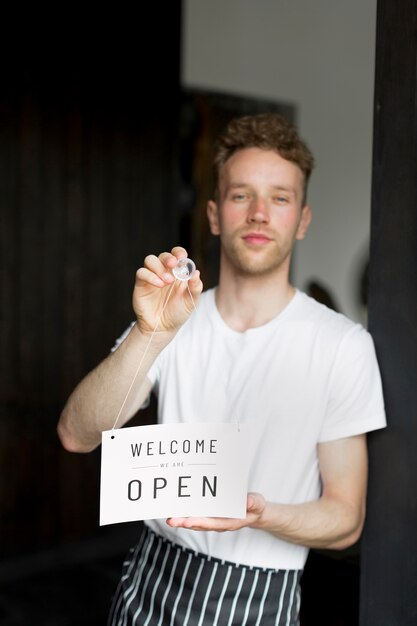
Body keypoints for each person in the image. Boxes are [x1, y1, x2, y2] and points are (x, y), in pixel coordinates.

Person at [58, 113, 386, 626]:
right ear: (213, 214)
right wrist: (150, 334)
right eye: (241, 195)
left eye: (279, 197)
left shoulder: (343, 345)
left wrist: (259, 513)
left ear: (301, 219)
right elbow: (77, 435)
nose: (259, 213)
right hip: (150, 580)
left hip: (262, 596)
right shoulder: (171, 318)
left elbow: (346, 521)